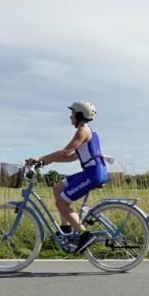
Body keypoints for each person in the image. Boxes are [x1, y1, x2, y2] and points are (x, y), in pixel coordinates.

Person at [28, 101, 109, 253]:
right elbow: (71, 157)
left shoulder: (82, 131)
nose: (70, 116)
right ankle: (66, 228)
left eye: (72, 113)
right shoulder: (89, 131)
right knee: (58, 187)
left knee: (61, 204)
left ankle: (84, 235)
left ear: (79, 115)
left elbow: (65, 152)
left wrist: (40, 159)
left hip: (93, 173)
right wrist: (46, 162)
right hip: (93, 171)